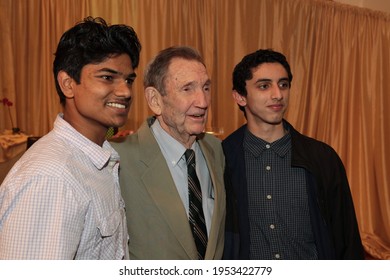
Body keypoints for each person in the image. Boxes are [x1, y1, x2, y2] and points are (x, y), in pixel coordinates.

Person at [0, 17, 142, 259]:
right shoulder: (51, 178)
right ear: (68, 84)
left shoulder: (94, 158)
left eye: (128, 79)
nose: (125, 91)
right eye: (107, 77)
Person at [222, 49, 364, 260]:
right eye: (264, 86)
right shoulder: (223, 158)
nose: (277, 94)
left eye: (283, 84)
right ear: (240, 97)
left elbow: (347, 239)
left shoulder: (322, 158)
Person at [111, 46, 225, 260]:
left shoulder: (216, 150)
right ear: (155, 100)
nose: (203, 101)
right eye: (187, 89)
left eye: (206, 88)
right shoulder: (118, 159)